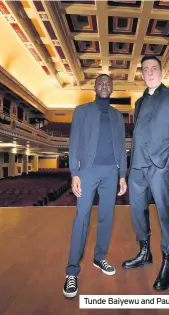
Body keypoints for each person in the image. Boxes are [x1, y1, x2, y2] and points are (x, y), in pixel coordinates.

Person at [122, 55, 169, 291]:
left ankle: (167, 260)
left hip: (160, 166)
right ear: (141, 74)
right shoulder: (139, 103)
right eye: (145, 69)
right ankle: (144, 252)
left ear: (162, 72)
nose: (150, 72)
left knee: (164, 213)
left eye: (154, 68)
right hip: (138, 167)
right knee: (137, 212)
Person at [63, 74, 127, 298]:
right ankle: (72, 270)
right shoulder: (82, 111)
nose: (104, 86)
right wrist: (75, 173)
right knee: (82, 217)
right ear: (94, 86)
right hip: (88, 171)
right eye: (100, 82)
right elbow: (74, 143)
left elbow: (121, 146)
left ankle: (99, 258)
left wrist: (122, 175)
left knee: (106, 217)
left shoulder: (118, 116)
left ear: (112, 88)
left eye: (108, 83)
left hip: (111, 172)